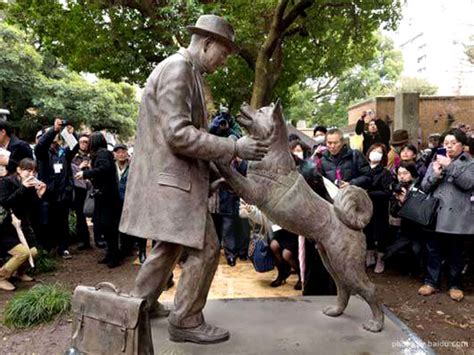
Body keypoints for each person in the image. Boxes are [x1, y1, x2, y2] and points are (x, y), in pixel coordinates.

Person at [119, 14, 268, 344]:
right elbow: (178, 134)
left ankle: (137, 305)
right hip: (173, 183)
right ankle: (185, 319)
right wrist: (234, 147)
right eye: (224, 53)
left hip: (174, 180)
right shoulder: (179, 68)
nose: (225, 61)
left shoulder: (186, 71)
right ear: (207, 43)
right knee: (206, 247)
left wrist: (217, 173)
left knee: (170, 246)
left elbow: (183, 136)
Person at [419, 128, 474, 302]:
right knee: (433, 250)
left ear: (461, 145)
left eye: (452, 143)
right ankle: (431, 282)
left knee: (455, 253)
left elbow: (468, 183)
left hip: (457, 216)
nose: (448, 147)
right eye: (446, 143)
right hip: (436, 213)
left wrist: (450, 166)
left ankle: (455, 285)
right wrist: (435, 174)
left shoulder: (469, 163)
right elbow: (425, 186)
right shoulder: (436, 160)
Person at [76, 132, 122, 268]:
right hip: (104, 197)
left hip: (108, 198)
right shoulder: (102, 154)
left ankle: (114, 257)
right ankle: (110, 255)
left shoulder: (102, 154)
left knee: (110, 228)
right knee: (106, 228)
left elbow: (104, 169)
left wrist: (86, 173)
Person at [34, 118, 78, 259]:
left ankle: (63, 248)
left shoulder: (63, 153)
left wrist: (71, 134)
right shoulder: (42, 154)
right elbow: (41, 145)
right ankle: (47, 248)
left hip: (63, 193)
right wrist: (53, 130)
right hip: (47, 194)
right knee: (46, 221)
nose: (52, 142)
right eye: (49, 139)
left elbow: (75, 147)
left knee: (63, 222)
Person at [0, 158, 46, 290]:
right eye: (28, 170)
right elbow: (6, 203)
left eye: (33, 171)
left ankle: (19, 272)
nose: (31, 174)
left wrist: (39, 195)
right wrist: (22, 188)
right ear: (19, 170)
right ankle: (2, 276)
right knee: (22, 253)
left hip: (21, 226)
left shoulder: (30, 185)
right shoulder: (5, 182)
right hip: (5, 227)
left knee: (34, 252)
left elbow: (31, 209)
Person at [364, 143, 392, 273]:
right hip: (365, 208)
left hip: (379, 207)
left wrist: (368, 193)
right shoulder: (363, 170)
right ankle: (369, 255)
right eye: (374, 151)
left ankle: (381, 258)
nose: (375, 154)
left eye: (379, 152)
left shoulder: (385, 172)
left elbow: (387, 192)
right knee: (366, 231)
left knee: (381, 233)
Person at [71, 134, 91, 250]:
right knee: (80, 214)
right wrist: (80, 167)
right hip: (79, 188)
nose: (84, 144)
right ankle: (84, 240)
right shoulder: (73, 156)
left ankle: (100, 239)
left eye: (86, 142)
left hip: (92, 188)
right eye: (82, 141)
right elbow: (70, 172)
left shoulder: (93, 155)